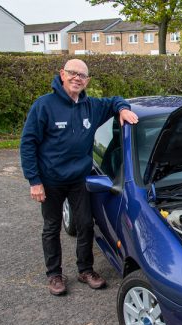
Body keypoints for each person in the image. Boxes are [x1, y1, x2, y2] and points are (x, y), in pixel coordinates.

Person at [20, 59, 138, 296]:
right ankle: (54, 274)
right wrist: (34, 181)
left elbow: (115, 100)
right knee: (52, 227)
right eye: (73, 73)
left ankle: (85, 270)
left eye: (82, 76)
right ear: (62, 74)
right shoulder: (44, 105)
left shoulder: (91, 106)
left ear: (87, 81)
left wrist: (123, 108)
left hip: (79, 179)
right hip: (51, 179)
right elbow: (27, 144)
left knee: (85, 224)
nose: (77, 78)